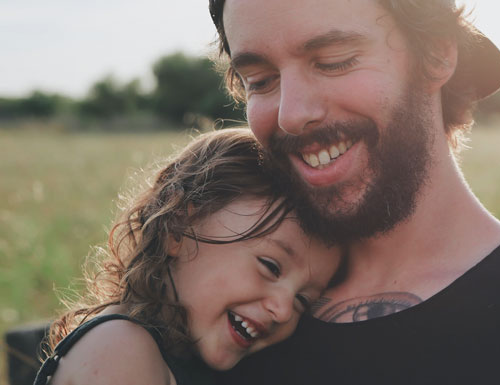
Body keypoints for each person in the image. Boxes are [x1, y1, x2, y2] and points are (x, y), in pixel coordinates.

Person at [209, 0, 500, 383]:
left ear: (436, 56)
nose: (292, 113)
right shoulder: (230, 312)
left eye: (333, 61)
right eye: (261, 81)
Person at [35, 129, 342, 385]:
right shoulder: (119, 348)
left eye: (303, 300)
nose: (284, 310)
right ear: (178, 228)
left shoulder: (185, 360)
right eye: (270, 267)